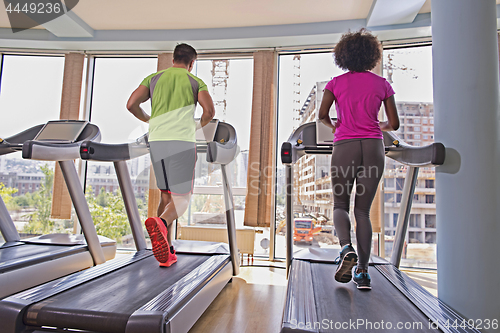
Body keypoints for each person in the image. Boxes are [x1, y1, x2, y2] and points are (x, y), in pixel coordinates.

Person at [318, 29, 399, 290]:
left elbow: (322, 116)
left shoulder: (335, 83)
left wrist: (336, 125)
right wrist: (377, 126)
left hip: (345, 146)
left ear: (344, 56)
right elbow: (393, 123)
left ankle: (345, 249)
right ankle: (363, 272)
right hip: (374, 146)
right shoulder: (382, 84)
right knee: (362, 211)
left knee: (340, 205)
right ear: (371, 56)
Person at [127, 43, 215, 267]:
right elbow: (209, 112)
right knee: (183, 198)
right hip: (182, 141)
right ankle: (162, 222)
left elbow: (131, 104)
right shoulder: (196, 82)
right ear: (191, 63)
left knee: (166, 196)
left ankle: (165, 253)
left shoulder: (154, 78)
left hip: (157, 140)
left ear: (173, 58)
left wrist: (148, 119)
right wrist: (198, 126)